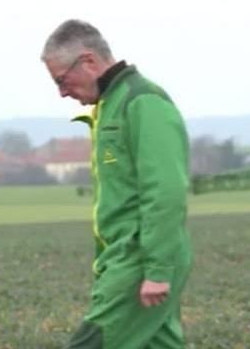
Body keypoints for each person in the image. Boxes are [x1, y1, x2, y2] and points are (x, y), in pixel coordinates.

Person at [41, 19, 193, 349]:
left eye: (62, 80)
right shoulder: (108, 106)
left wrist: (157, 268)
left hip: (138, 258)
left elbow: (165, 189)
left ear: (89, 61)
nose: (62, 92)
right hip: (121, 257)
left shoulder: (143, 102)